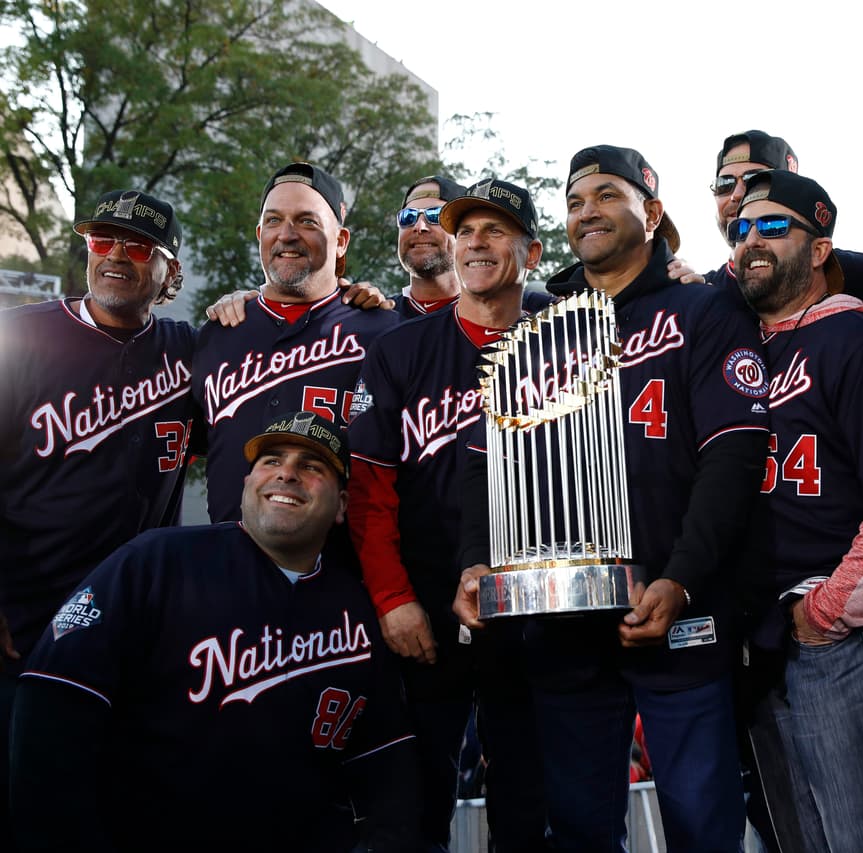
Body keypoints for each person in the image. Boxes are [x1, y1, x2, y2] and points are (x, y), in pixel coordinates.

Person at [455, 144, 769, 853]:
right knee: (580, 830)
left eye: (605, 195)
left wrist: (681, 575)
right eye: (573, 201)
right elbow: (484, 464)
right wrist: (477, 561)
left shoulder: (704, 308)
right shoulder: (542, 334)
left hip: (679, 610)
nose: (586, 211)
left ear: (652, 213)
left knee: (703, 826)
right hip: (566, 626)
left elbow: (734, 453)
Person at [10, 412, 425, 852]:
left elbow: (385, 758)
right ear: (247, 483)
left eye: (312, 466)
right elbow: (52, 705)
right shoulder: (156, 562)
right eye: (271, 460)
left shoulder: (357, 612)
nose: (287, 472)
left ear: (342, 505)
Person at [733, 169, 863, 852]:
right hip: (759, 640)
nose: (751, 240)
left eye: (773, 226)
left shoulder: (856, 339)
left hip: (836, 645)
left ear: (820, 248)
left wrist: (831, 610)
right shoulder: (738, 351)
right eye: (741, 228)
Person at [346, 178, 549, 852]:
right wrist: (392, 598)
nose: (476, 243)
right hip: (427, 613)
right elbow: (369, 493)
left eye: (495, 230)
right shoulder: (401, 350)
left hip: (534, 609)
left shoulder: (562, 343)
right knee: (418, 806)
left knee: (527, 808)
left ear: (533, 251)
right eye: (466, 231)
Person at [0, 188, 194, 844]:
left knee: (124, 817)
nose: (116, 254)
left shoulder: (188, 351)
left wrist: (365, 300)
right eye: (102, 240)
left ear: (170, 274)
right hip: (23, 631)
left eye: (138, 246)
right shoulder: (20, 335)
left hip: (136, 640)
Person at [191, 161, 398, 522]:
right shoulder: (218, 331)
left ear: (341, 241)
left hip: (345, 567)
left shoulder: (382, 333)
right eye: (273, 220)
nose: (286, 234)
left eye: (307, 221)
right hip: (228, 561)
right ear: (259, 234)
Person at [704, 130, 863, 297]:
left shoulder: (855, 272)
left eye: (754, 180)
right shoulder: (702, 292)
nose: (736, 195)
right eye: (724, 184)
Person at [392, 174, 470, 318]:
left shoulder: (501, 322)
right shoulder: (378, 319)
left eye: (435, 215)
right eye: (408, 216)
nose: (419, 226)